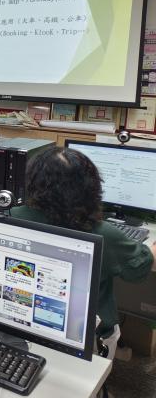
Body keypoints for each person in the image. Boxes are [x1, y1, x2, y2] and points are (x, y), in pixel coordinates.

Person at [11, 146, 156, 359]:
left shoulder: (13, 215)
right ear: (90, 187)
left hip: (25, 319)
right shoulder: (103, 234)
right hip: (87, 334)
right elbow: (139, 268)